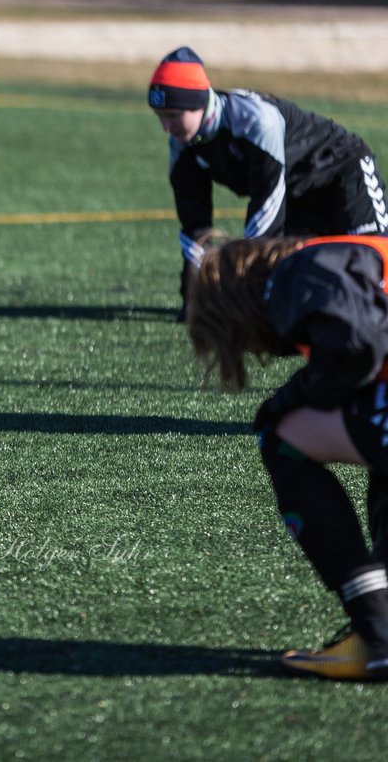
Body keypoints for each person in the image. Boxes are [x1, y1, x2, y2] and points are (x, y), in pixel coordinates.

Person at [187, 234, 388, 680]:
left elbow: (357, 344)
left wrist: (286, 398)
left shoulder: (297, 271)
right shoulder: (339, 255)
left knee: (280, 433)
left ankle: (378, 629)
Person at [148, 46, 387, 320]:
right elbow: (195, 225)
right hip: (297, 193)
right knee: (300, 275)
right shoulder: (184, 146)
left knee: (373, 258)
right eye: (160, 117)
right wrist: (193, 297)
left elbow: (267, 210)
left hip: (344, 171)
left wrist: (241, 289)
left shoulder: (256, 121)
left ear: (198, 104)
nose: (166, 127)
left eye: (172, 115)